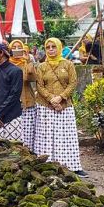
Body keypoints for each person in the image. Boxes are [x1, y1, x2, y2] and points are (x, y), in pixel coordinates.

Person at [34, 38, 85, 175]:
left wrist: (60, 97)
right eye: (48, 47)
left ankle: (72, 167)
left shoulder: (68, 64)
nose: (51, 49)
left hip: (65, 106)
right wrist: (51, 99)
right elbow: (39, 86)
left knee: (66, 137)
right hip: (46, 106)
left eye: (53, 47)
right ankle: (47, 166)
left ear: (59, 48)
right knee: (46, 136)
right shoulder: (41, 67)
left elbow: (73, 83)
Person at [0, 41, 23, 141]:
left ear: (1, 53)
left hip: (11, 118)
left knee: (13, 152)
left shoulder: (16, 71)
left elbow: (14, 96)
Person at [10, 40, 37, 148]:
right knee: (13, 133)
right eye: (14, 47)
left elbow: (31, 79)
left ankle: (29, 157)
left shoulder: (26, 62)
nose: (17, 50)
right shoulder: (6, 64)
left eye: (19, 47)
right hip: (12, 103)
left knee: (28, 133)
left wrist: (28, 62)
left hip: (27, 100)